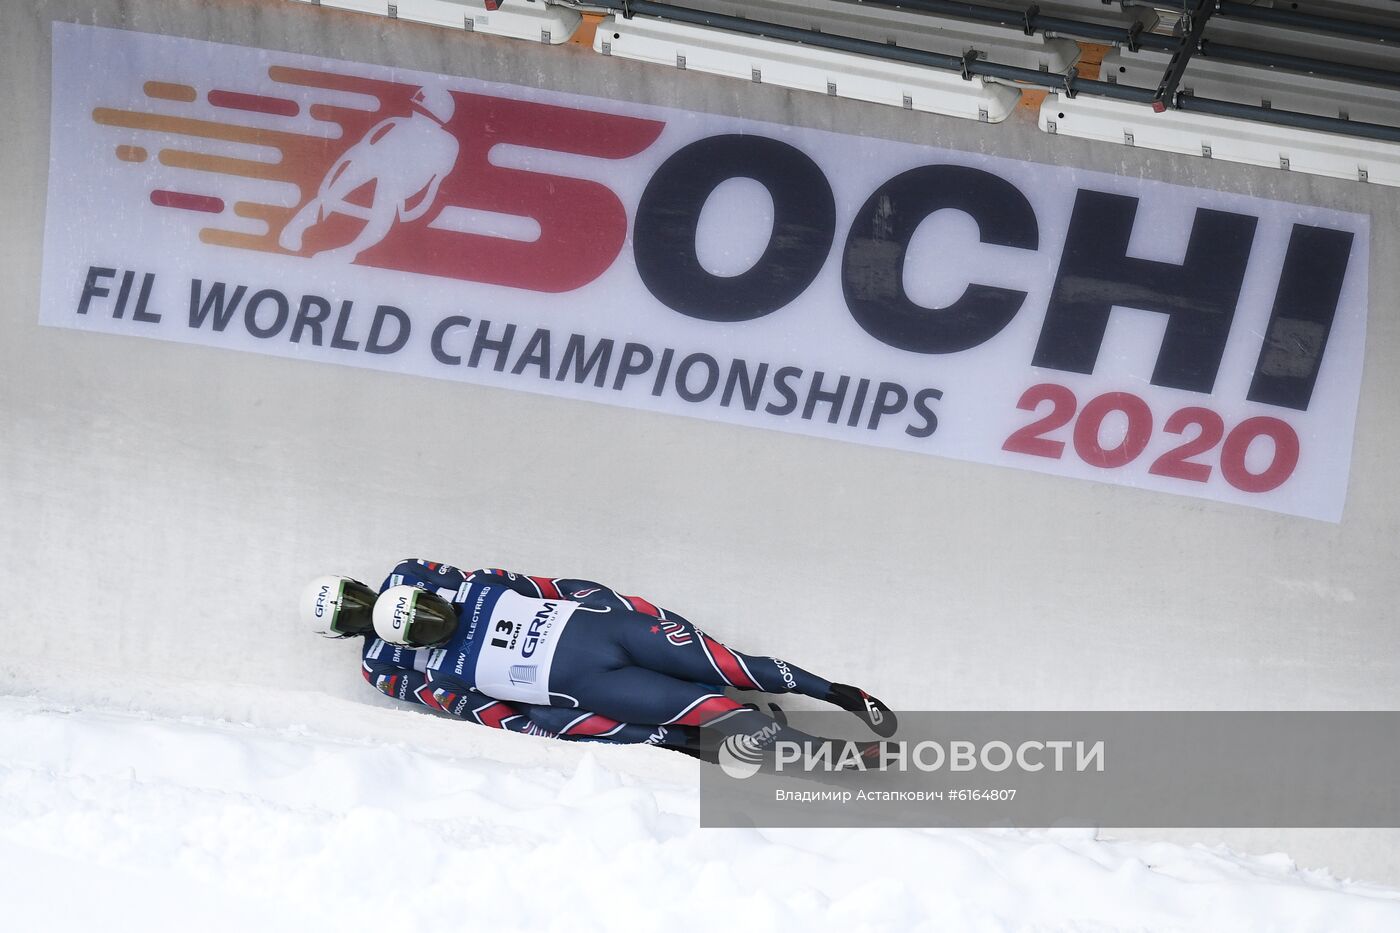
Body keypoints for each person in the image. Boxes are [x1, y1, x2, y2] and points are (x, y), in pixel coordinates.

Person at [301, 559, 895, 760]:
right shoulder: (387, 670)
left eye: (355, 597)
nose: (435, 619)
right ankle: (837, 756)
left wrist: (614, 603)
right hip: (590, 686)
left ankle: (840, 694)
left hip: (606, 632)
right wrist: (610, 732)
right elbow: (490, 713)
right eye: (348, 615)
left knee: (732, 667)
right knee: (711, 709)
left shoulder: (416, 576)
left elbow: (537, 583)